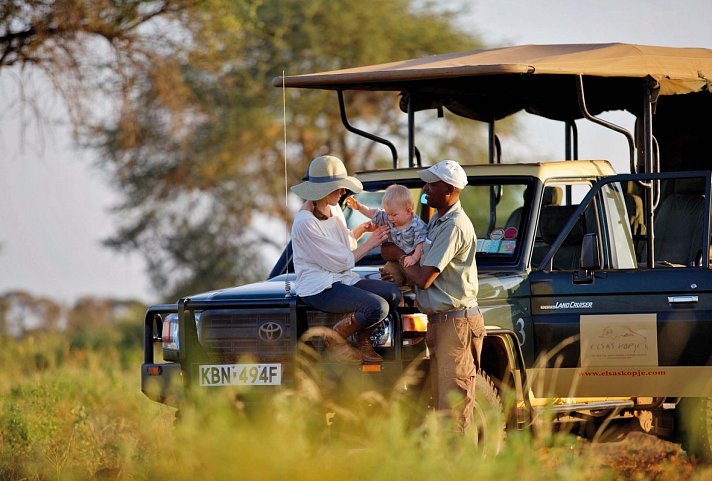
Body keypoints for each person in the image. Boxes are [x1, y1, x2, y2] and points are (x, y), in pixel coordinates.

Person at [381, 159, 484, 433]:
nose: (426, 188)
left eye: (432, 183)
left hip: (456, 324)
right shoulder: (438, 220)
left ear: (449, 189)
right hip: (442, 322)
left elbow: (426, 278)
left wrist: (398, 256)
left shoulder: (453, 225)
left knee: (454, 409)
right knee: (443, 407)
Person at [291, 155, 402, 364]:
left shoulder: (333, 209)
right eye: (338, 187)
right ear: (322, 190)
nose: (343, 192)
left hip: (342, 279)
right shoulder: (305, 222)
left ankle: (362, 338)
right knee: (377, 307)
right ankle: (335, 338)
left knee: (393, 294)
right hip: (319, 287)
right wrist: (372, 242)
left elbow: (343, 246)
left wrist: (362, 230)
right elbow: (340, 261)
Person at [345, 184, 428, 286]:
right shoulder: (388, 219)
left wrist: (414, 258)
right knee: (389, 279)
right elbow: (373, 213)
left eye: (393, 214)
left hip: (413, 263)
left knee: (414, 285)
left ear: (408, 211)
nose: (390, 218)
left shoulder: (418, 225)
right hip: (394, 262)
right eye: (388, 213)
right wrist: (359, 207)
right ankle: (396, 296)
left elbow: (421, 243)